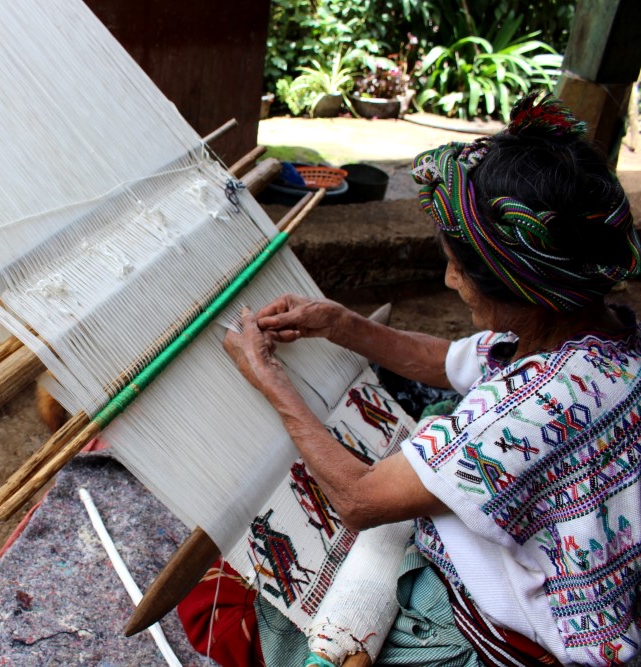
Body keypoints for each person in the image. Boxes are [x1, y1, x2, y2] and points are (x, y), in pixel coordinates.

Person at [221, 92, 641, 666]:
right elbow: (447, 361)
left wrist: (268, 378)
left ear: (518, 286)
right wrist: (341, 323)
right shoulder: (603, 339)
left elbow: (360, 499)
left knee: (255, 608)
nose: (449, 281)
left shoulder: (529, 409)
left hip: (501, 642)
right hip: (576, 590)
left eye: (459, 267)